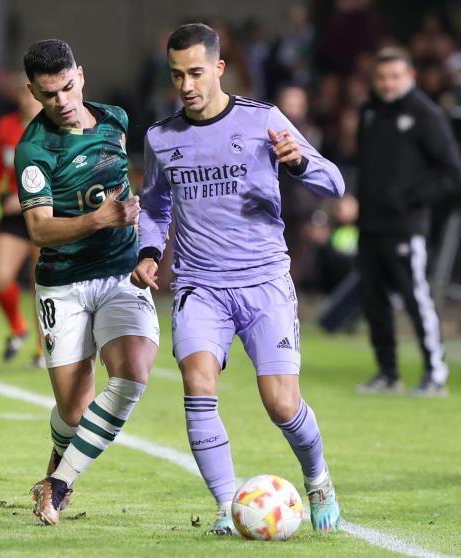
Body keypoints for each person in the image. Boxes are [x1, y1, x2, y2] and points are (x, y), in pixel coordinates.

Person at [133, 23, 344, 535]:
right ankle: (230, 508)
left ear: (220, 68)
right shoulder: (161, 138)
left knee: (281, 403)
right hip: (199, 286)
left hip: (265, 282)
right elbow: (156, 206)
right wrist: (147, 251)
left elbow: (334, 183)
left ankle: (317, 479)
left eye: (197, 73)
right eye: (177, 75)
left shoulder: (263, 121)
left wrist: (295, 163)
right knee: (197, 381)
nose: (187, 85)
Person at [15, 39, 160, 526]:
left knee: (134, 371)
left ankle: (59, 482)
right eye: (49, 93)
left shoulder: (116, 119)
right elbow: (39, 229)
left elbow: (124, 189)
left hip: (120, 272)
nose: (62, 101)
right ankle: (59, 456)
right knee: (73, 413)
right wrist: (98, 220)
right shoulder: (35, 150)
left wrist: (144, 248)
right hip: (64, 283)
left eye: (68, 87)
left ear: (81, 74)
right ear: (33, 91)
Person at [354, 47, 461, 396]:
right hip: (369, 224)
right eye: (382, 77)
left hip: (405, 226)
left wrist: (408, 200)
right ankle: (388, 372)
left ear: (410, 76)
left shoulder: (425, 114)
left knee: (417, 298)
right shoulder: (369, 111)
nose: (388, 84)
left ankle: (435, 373)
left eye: (395, 77)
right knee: (374, 302)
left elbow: (451, 172)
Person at [0, 75, 45, 366]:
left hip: (46, 213)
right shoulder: (6, 126)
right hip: (13, 215)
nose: (29, 99)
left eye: (34, 95)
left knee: (42, 285)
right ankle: (18, 327)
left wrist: (30, 197)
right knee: (0, 277)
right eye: (24, 94)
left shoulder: (56, 128)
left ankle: (44, 349)